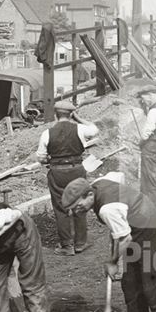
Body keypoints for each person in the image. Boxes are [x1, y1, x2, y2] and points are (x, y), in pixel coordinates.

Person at [62, 172, 156, 312]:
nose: (77, 211)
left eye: (78, 206)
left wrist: (113, 262)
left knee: (153, 286)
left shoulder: (107, 208)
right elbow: (120, 230)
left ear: (89, 195)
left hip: (149, 229)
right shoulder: (99, 183)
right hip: (132, 229)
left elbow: (124, 238)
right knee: (130, 284)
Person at [37, 101, 99, 256]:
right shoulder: (80, 129)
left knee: (60, 208)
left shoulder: (47, 133)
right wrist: (78, 118)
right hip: (76, 170)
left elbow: (41, 158)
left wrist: (49, 159)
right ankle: (80, 243)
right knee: (80, 204)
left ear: (55, 114)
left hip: (57, 172)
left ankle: (67, 245)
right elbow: (95, 130)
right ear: (71, 114)